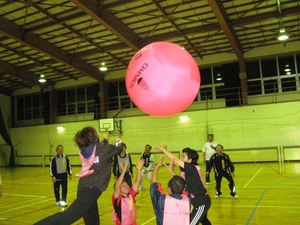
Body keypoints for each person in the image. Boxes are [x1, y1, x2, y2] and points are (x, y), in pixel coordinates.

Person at [34, 126, 122, 225]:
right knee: (67, 217)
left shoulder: (86, 151)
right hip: (91, 190)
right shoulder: (102, 149)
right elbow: (117, 148)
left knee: (92, 221)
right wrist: (119, 141)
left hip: (83, 187)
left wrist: (105, 141)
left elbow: (101, 151)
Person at [156, 145, 212, 225]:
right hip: (199, 201)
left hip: (201, 203)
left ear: (190, 160)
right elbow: (182, 183)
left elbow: (174, 159)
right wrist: (171, 172)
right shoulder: (188, 170)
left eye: (183, 157)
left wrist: (163, 150)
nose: (181, 159)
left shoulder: (192, 168)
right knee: (204, 220)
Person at [150, 156, 191, 225]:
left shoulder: (162, 200)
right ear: (183, 189)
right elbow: (183, 185)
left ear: (169, 189)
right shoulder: (187, 199)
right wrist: (172, 172)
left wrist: (156, 166)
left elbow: (153, 184)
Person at [111, 158, 144, 225]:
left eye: (127, 185)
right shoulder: (117, 198)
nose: (126, 186)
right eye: (123, 185)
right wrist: (123, 172)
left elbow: (137, 182)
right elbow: (117, 187)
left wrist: (138, 170)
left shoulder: (131, 194)